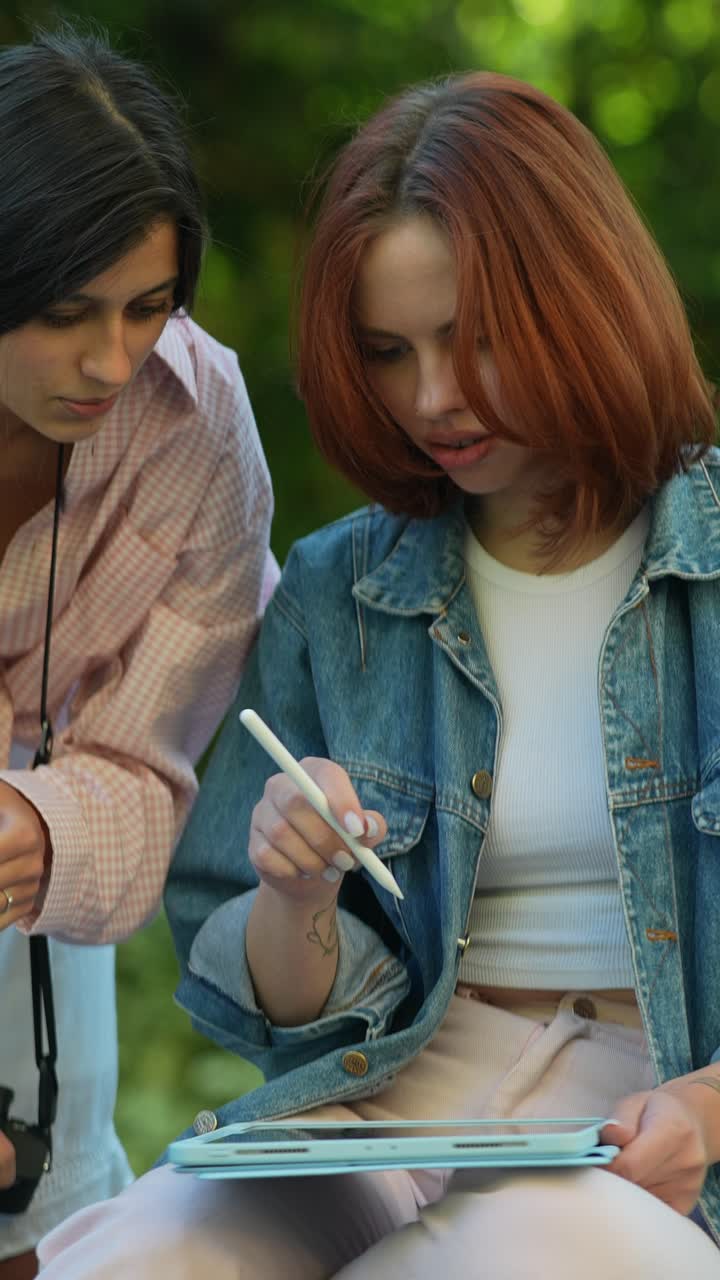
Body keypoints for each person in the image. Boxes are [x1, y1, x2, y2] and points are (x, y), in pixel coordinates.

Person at [37, 70, 720, 1279]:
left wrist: (706, 1110)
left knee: (507, 1246)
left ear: (586, 298)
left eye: (474, 339)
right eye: (388, 352)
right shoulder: (338, 591)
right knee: (153, 1253)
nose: (433, 399)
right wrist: (294, 892)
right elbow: (288, 1006)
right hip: (388, 1102)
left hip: (649, 1117)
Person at [0, 24, 277, 1280]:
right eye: (65, 316)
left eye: (149, 308)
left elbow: (156, 760)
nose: (114, 362)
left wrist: (40, 827)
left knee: (52, 1224)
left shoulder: (202, 420)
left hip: (39, 896)